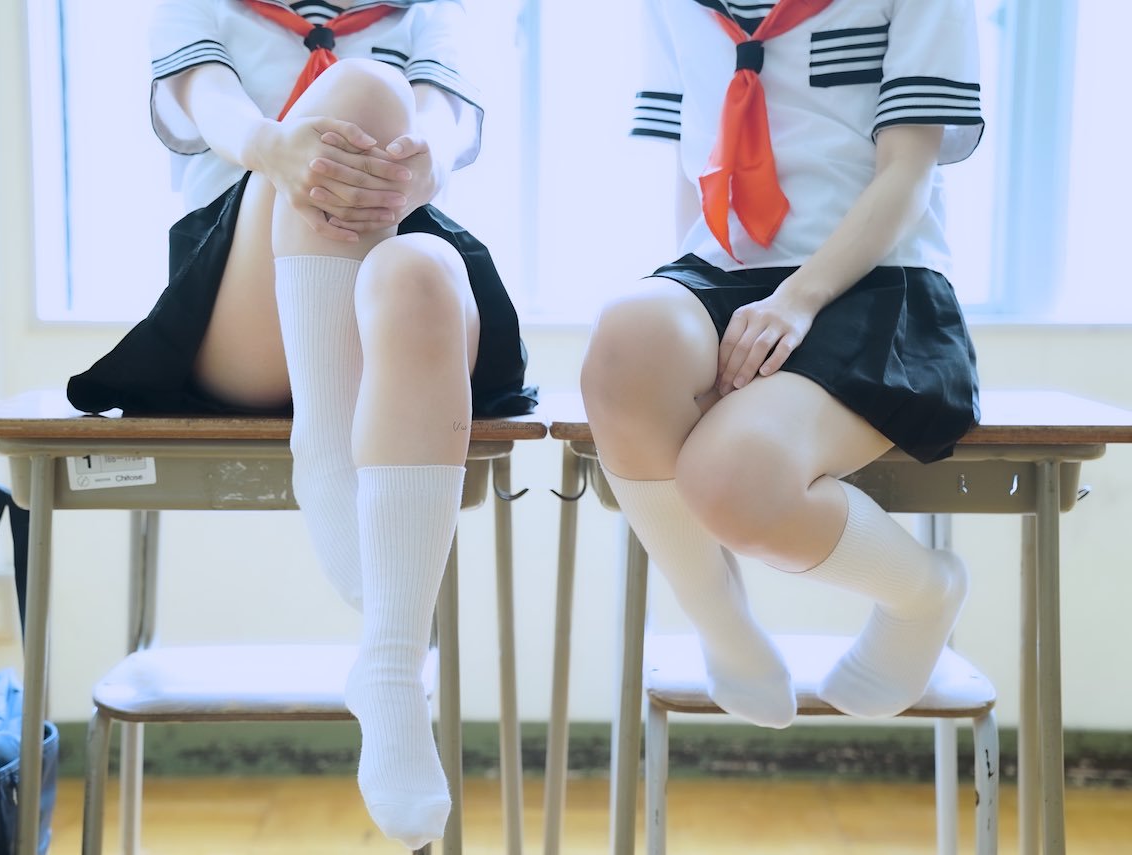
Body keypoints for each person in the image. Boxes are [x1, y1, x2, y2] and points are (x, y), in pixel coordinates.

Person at [66, 1, 536, 848]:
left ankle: (389, 666)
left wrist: (425, 164)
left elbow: (447, 115)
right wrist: (272, 145)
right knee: (363, 89)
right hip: (244, 285)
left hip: (399, 263)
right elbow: (203, 97)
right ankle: (325, 438)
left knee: (422, 267)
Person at [581, 0, 983, 730]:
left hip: (880, 277)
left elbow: (909, 169)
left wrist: (798, 299)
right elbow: (693, 160)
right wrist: (681, 321)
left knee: (735, 480)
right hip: (722, 272)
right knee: (626, 336)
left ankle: (921, 591)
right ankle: (720, 622)